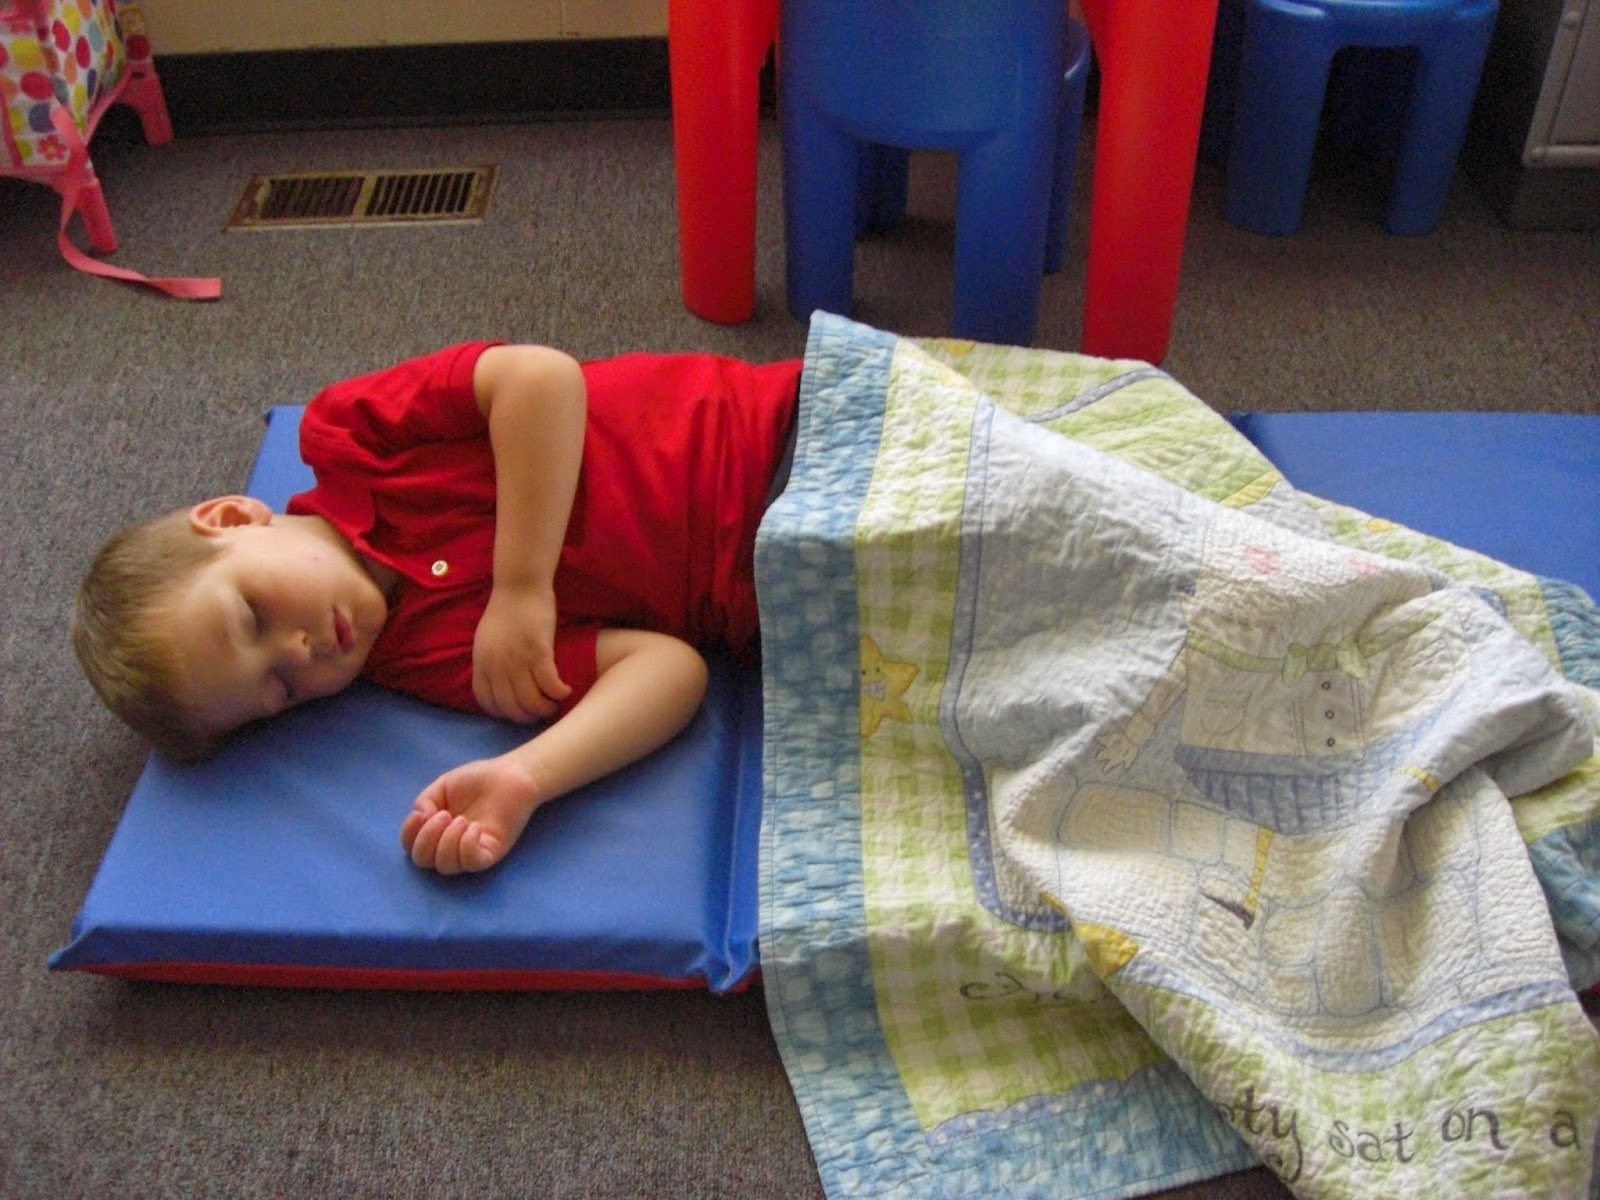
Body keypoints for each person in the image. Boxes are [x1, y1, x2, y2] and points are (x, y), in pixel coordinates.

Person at [72, 341, 803, 876]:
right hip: (785, 594)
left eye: (253, 616)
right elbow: (670, 670)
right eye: (280, 690)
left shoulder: (350, 434)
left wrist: (521, 588)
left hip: (771, 432)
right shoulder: (421, 656)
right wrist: (527, 778)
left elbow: (539, 377)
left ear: (232, 519)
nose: (298, 652)